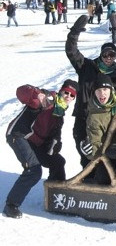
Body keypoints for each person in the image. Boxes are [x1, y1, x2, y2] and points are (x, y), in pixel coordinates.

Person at [3, 80, 78, 218]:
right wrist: (36, 93)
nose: (68, 96)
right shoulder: (46, 100)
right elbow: (21, 92)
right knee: (34, 170)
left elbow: (54, 135)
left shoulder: (59, 112)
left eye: (72, 95)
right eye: (66, 92)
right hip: (19, 136)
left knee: (58, 161)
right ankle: (11, 205)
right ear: (60, 91)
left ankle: (55, 198)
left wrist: (55, 145)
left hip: (35, 143)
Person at [65, 15, 116, 168]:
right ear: (101, 54)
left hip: (103, 122)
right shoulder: (86, 67)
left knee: (102, 157)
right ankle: (85, 184)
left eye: (112, 55)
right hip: (83, 117)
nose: (109, 58)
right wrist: (75, 32)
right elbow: (71, 50)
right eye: (106, 54)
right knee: (85, 155)